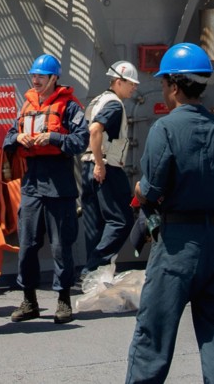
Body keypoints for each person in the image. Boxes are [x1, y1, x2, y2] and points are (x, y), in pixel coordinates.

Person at [125, 42, 214, 384]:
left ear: (175, 86)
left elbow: (149, 191)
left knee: (154, 337)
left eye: (165, 82)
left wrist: (139, 190)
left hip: (176, 246)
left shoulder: (163, 129)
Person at [3, 53, 88, 324]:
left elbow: (80, 141)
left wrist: (53, 137)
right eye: (34, 76)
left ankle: (63, 300)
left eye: (41, 76)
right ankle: (29, 300)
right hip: (32, 185)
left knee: (61, 246)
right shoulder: (26, 105)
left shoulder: (71, 107)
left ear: (54, 78)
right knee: (27, 244)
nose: (35, 80)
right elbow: (7, 137)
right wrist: (19, 137)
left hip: (59, 185)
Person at [82, 61, 139, 274]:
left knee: (94, 224)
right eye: (131, 83)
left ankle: (93, 277)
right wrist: (100, 164)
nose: (134, 88)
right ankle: (93, 267)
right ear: (118, 81)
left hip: (88, 167)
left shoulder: (97, 101)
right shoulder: (114, 104)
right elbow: (95, 130)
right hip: (106, 167)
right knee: (122, 220)